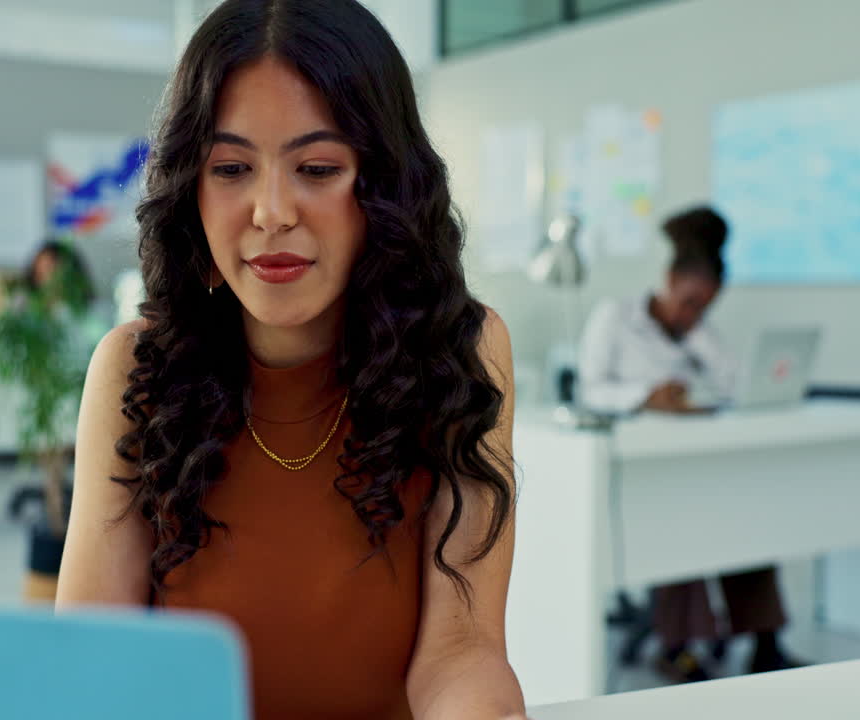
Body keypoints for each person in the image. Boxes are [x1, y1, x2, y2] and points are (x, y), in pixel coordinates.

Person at [55, 2, 527, 719]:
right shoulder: (133, 368)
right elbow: (97, 657)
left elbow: (461, 648)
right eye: (232, 167)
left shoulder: (461, 353)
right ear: (192, 188)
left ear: (383, 185)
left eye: (316, 167)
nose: (271, 211)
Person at [577, 206, 804, 682]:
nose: (693, 312)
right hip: (638, 472)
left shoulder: (700, 332)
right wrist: (646, 397)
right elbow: (589, 389)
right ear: (667, 278)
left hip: (694, 461)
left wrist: (697, 336)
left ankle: (766, 643)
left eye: (705, 306)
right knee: (684, 521)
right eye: (688, 300)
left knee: (746, 516)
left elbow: (739, 385)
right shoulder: (614, 318)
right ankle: (676, 648)